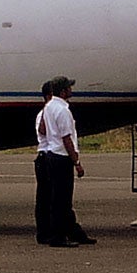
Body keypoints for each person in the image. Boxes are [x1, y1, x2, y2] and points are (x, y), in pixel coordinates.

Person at [33, 76, 94, 247]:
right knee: (62, 199)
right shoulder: (63, 110)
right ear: (63, 91)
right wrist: (77, 161)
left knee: (52, 198)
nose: (71, 90)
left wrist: (51, 137)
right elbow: (67, 138)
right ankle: (58, 236)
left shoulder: (48, 108)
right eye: (69, 87)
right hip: (61, 156)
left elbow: (42, 129)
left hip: (50, 154)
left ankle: (58, 233)